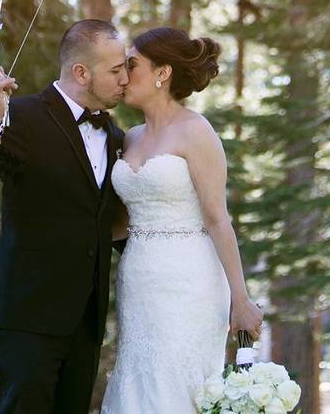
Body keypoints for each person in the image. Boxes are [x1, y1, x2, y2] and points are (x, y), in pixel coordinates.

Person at [0, 19, 130, 414]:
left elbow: (108, 224)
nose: (125, 79)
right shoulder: (20, 116)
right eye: (116, 70)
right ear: (81, 72)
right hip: (26, 318)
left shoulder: (116, 136)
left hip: (85, 324)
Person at [100, 27, 264, 413]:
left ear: (163, 73)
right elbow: (122, 220)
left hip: (189, 282)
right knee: (138, 382)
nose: (124, 75)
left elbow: (218, 219)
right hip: (138, 280)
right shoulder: (131, 138)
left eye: (132, 64)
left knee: (176, 387)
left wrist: (240, 299)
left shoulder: (196, 132)